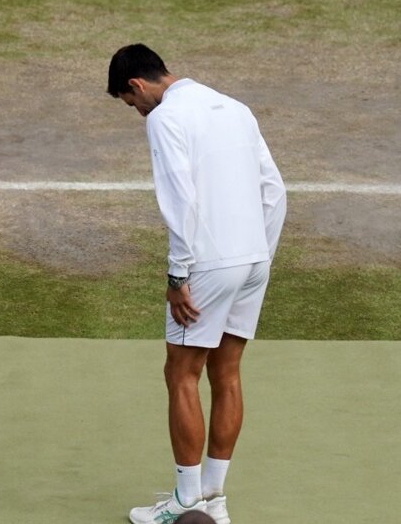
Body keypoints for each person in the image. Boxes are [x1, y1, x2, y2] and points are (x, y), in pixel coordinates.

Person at [108, 44, 286, 524]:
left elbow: (179, 199)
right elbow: (275, 191)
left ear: (137, 87)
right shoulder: (236, 108)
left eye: (132, 104)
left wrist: (178, 273)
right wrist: (258, 254)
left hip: (207, 265)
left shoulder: (163, 119)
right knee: (226, 374)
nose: (137, 112)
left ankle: (186, 501)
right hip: (253, 259)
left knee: (180, 373)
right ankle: (215, 499)